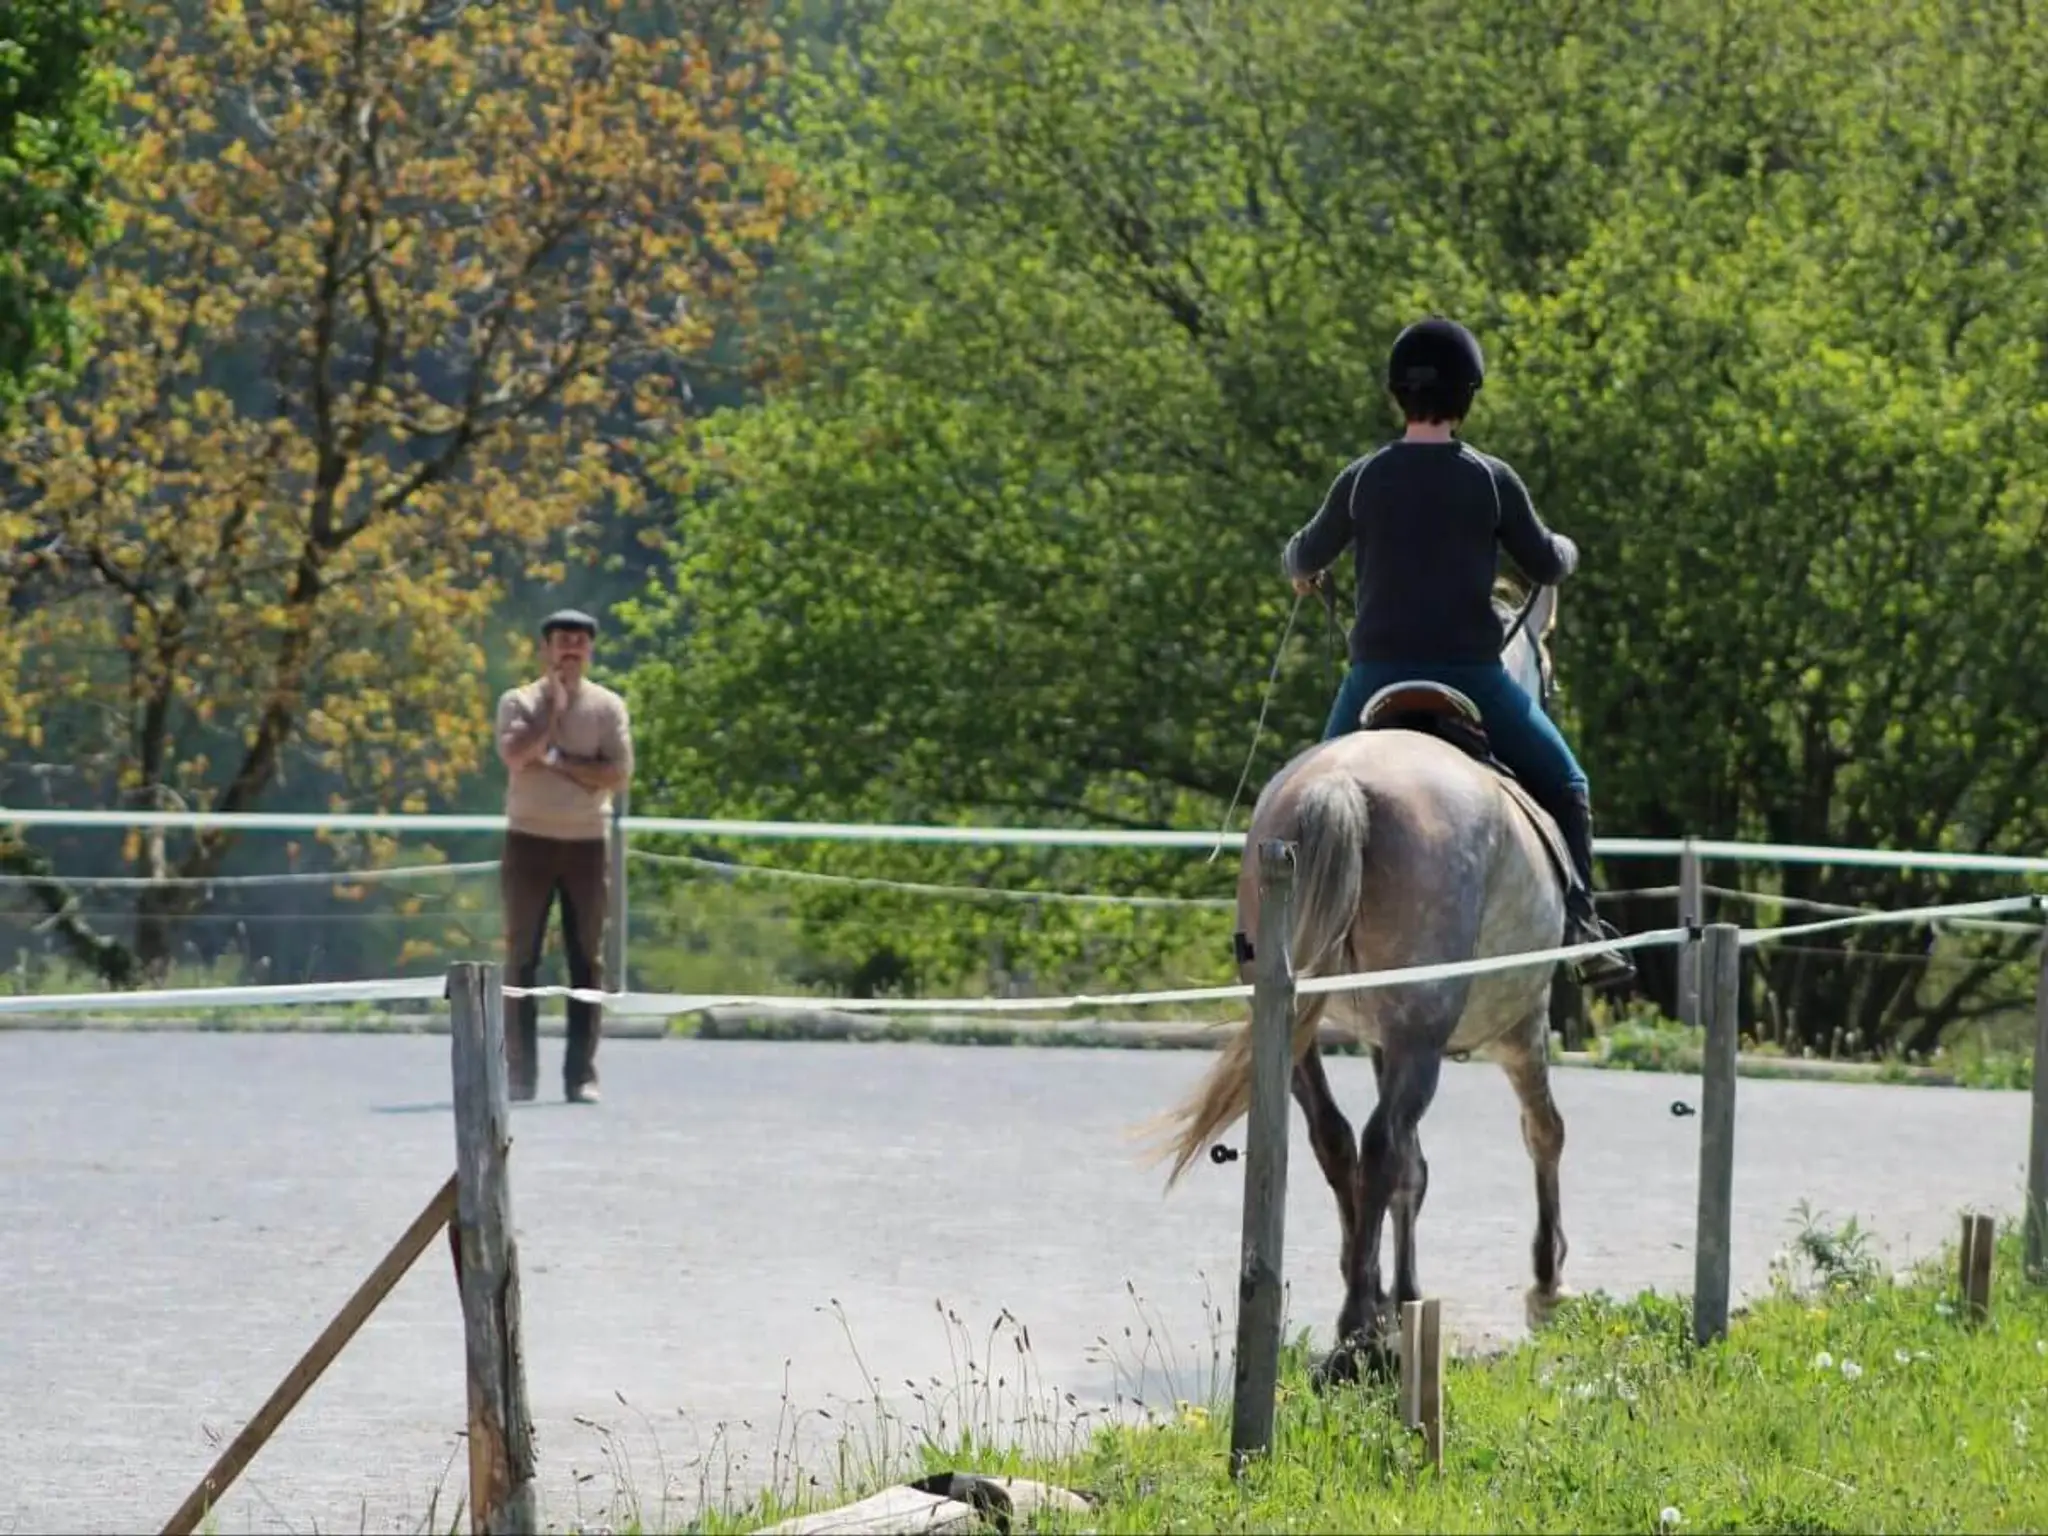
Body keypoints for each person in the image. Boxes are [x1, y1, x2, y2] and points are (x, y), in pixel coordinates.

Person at [1279, 316, 1635, 989]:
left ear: (1395, 394)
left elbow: (1302, 552)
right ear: (1468, 394)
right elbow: (1547, 564)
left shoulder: (1361, 479)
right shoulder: (1490, 480)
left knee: (1308, 797)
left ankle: (1278, 934)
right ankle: (1584, 928)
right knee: (1569, 784)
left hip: (1374, 677)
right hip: (1473, 678)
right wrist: (1568, 548)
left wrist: (1300, 568)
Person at [494, 607, 635, 1101]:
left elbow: (616, 774)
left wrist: (555, 760)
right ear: (545, 648)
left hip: (587, 844)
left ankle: (581, 1075)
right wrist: (551, 712)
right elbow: (514, 755)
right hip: (528, 839)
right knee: (521, 958)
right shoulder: (518, 701)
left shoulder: (608, 707)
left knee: (586, 961)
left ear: (591, 649)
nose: (571, 650)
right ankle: (519, 1074)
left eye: (579, 641)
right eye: (562, 641)